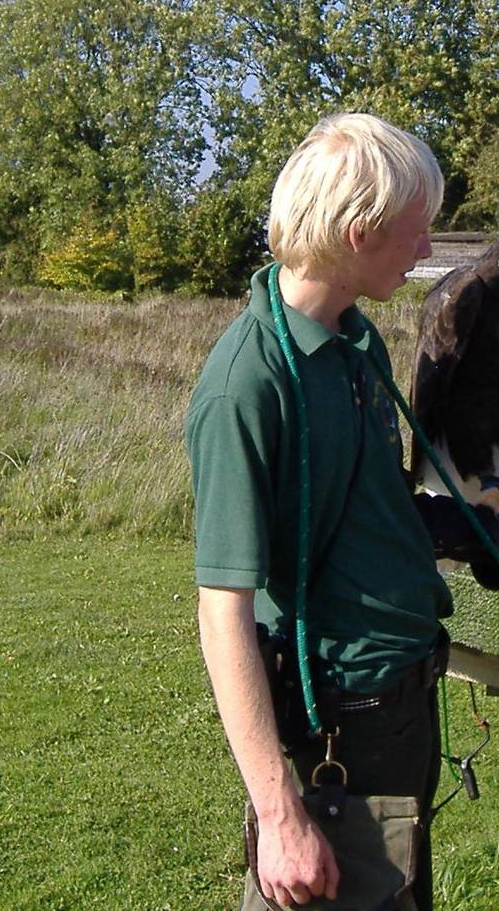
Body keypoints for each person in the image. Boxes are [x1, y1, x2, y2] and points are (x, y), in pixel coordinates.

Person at [188, 112, 453, 910]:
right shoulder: (247, 384)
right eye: (419, 230)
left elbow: (370, 512)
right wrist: (279, 814)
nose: (429, 252)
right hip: (339, 730)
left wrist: (486, 531)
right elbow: (221, 610)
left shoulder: (353, 341)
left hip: (405, 707)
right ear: (360, 232)